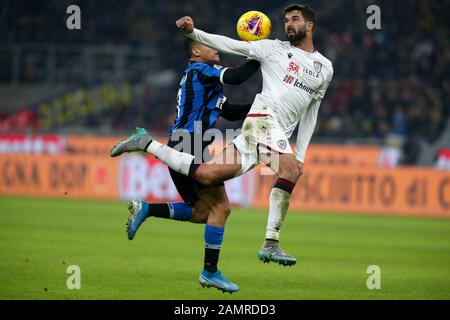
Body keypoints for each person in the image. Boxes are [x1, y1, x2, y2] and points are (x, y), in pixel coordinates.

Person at [111, 4, 333, 269]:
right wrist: (195, 32)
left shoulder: (325, 68)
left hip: (263, 133)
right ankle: (270, 242)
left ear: (309, 26)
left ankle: (146, 145)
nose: (288, 24)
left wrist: (300, 155)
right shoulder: (270, 48)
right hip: (258, 123)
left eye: (294, 19)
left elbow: (311, 112)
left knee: (207, 180)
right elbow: (227, 46)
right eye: (285, 20)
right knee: (289, 171)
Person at [116, 38, 260, 293]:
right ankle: (210, 272)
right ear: (196, 52)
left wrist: (266, 109)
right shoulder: (201, 70)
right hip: (189, 144)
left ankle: (147, 209)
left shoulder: (206, 82)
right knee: (221, 208)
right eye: (209, 44)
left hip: (184, 144)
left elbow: (231, 112)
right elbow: (237, 77)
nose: (217, 49)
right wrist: (261, 54)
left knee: (204, 212)